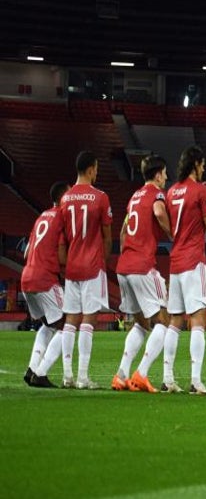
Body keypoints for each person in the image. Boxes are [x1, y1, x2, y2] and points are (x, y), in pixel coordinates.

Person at [112, 155, 172, 394]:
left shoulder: (134, 197)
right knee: (163, 321)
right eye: (164, 173)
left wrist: (128, 252)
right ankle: (142, 374)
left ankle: (121, 375)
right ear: (157, 175)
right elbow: (158, 212)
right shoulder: (157, 194)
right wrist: (174, 234)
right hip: (142, 266)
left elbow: (123, 232)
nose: (166, 177)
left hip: (124, 266)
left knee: (141, 323)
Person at [162, 145, 206, 395]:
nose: (204, 168)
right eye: (202, 164)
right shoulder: (201, 190)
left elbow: (170, 224)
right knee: (197, 318)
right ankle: (195, 381)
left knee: (175, 320)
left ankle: (167, 379)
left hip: (175, 261)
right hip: (194, 261)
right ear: (196, 164)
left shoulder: (171, 191)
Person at [59, 151, 113, 390]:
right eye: (97, 169)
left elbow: (62, 239)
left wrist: (65, 264)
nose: (97, 173)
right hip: (92, 266)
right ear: (91, 169)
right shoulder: (100, 197)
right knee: (89, 320)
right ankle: (82, 377)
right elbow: (107, 236)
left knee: (70, 320)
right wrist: (103, 260)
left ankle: (67, 375)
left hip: (72, 266)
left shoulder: (65, 198)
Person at [22, 182, 70, 388]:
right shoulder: (61, 217)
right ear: (62, 198)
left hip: (27, 277)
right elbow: (61, 255)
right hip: (45, 279)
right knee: (67, 324)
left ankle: (32, 369)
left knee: (48, 325)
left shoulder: (42, 216)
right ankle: (40, 373)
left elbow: (26, 252)